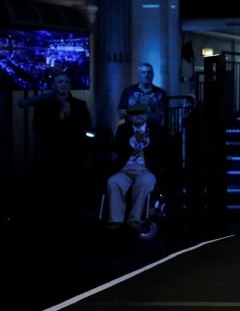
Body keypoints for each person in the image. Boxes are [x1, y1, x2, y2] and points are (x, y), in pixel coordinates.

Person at [106, 102, 169, 232]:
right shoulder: (123, 129)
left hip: (146, 169)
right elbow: (117, 149)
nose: (139, 116)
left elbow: (162, 151)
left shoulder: (156, 129)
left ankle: (134, 219)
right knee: (113, 182)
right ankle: (116, 219)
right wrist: (131, 142)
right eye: (135, 114)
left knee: (144, 183)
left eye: (142, 113)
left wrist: (146, 143)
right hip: (126, 168)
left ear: (146, 115)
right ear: (129, 117)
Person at [32, 71, 93, 208]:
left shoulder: (80, 104)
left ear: (70, 85)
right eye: (60, 82)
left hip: (74, 153)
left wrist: (70, 116)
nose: (63, 84)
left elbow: (86, 124)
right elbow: (37, 127)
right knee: (53, 190)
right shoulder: (43, 105)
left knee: (72, 189)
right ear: (54, 85)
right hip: (51, 153)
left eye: (66, 82)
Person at [117, 62, 168, 127]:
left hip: (154, 130)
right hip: (132, 130)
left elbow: (164, 115)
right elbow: (120, 114)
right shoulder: (128, 91)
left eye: (149, 73)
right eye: (143, 72)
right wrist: (135, 107)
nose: (146, 75)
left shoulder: (161, 93)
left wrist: (154, 108)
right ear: (139, 75)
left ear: (153, 75)